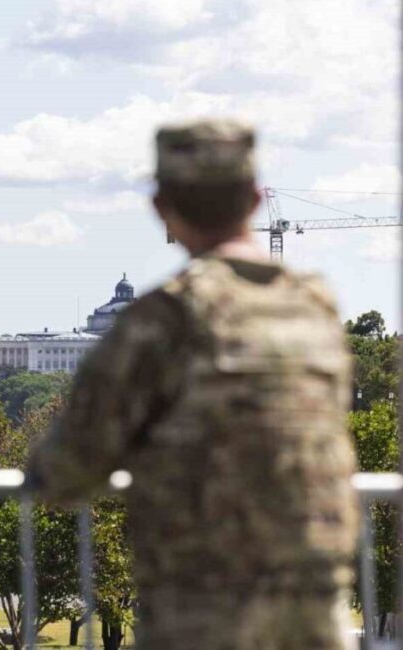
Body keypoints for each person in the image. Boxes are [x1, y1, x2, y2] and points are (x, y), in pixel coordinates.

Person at [25, 119, 358, 649]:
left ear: (162, 208)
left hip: (204, 603)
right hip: (316, 600)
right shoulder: (316, 308)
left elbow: (68, 468)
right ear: (253, 199)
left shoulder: (168, 317)